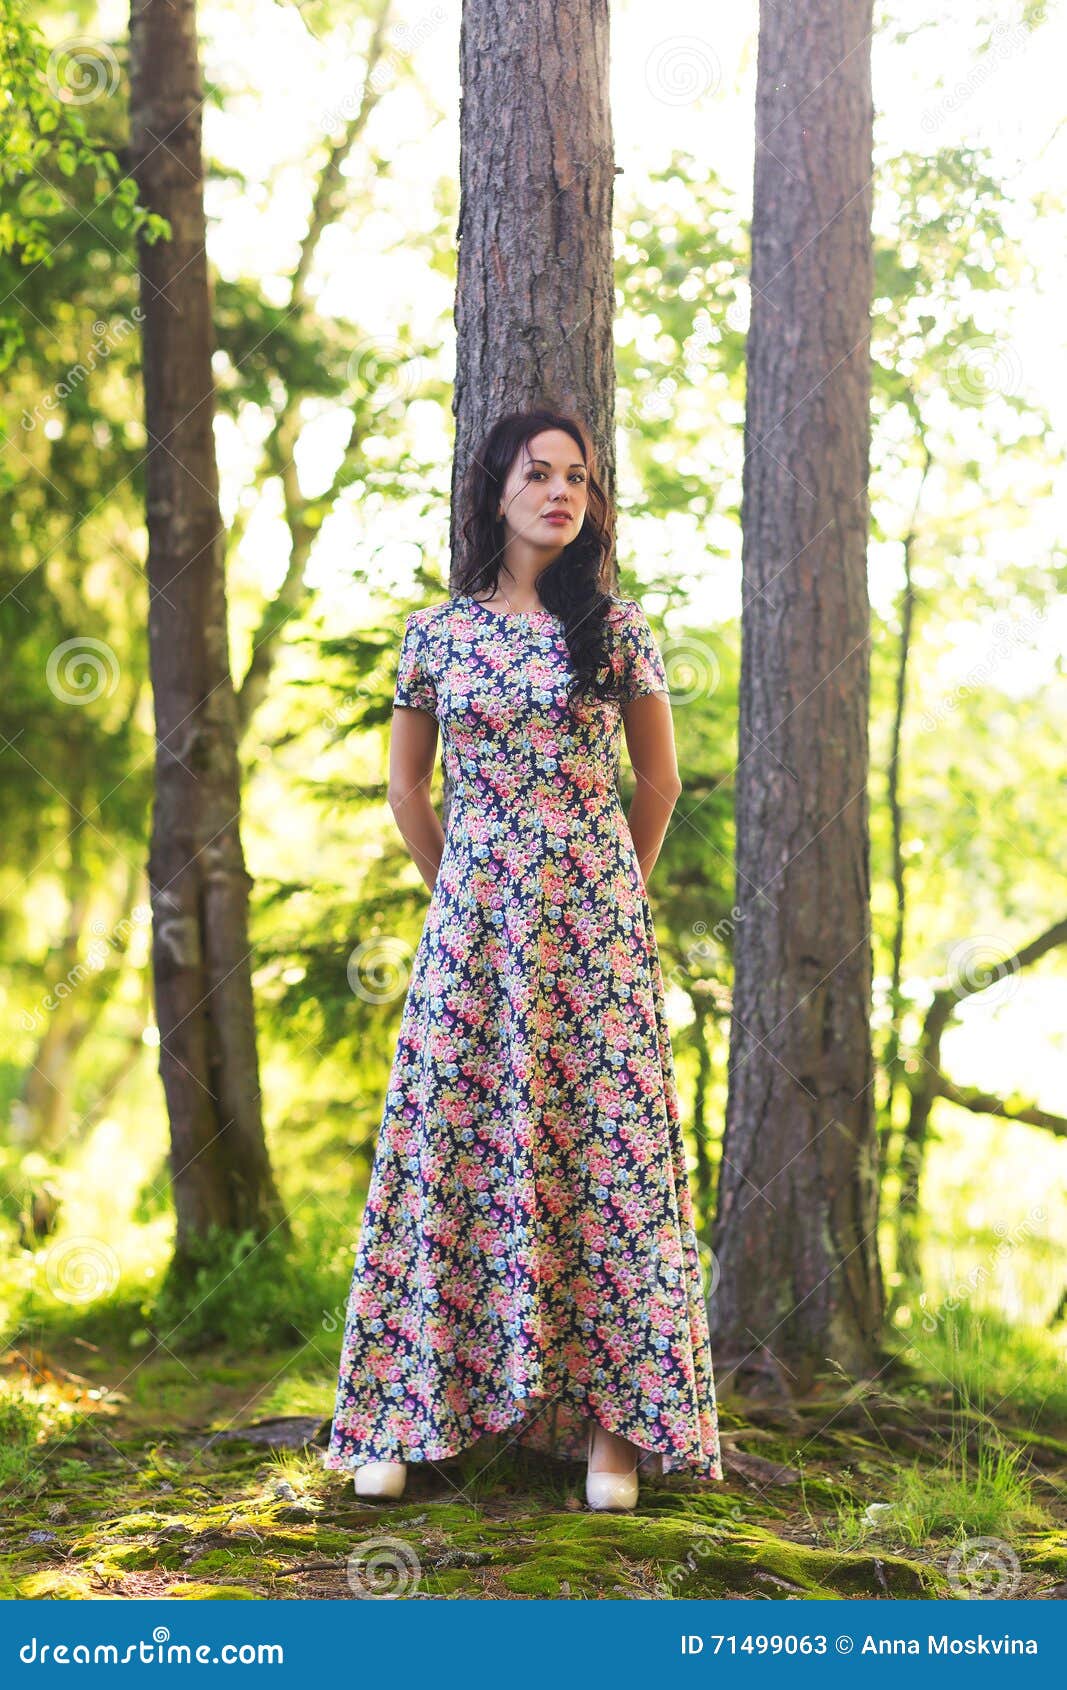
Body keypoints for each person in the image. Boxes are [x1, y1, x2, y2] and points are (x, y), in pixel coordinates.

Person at [325, 407, 724, 1512]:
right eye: (537, 474)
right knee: (444, 1144)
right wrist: (456, 886)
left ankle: (614, 1435)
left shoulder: (617, 628)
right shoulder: (437, 634)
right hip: (471, 929)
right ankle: (403, 1416)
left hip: (592, 932)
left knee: (605, 1166)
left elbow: (660, 782)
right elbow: (406, 786)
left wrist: (611, 890)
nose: (560, 492)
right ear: (494, 490)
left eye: (578, 479)